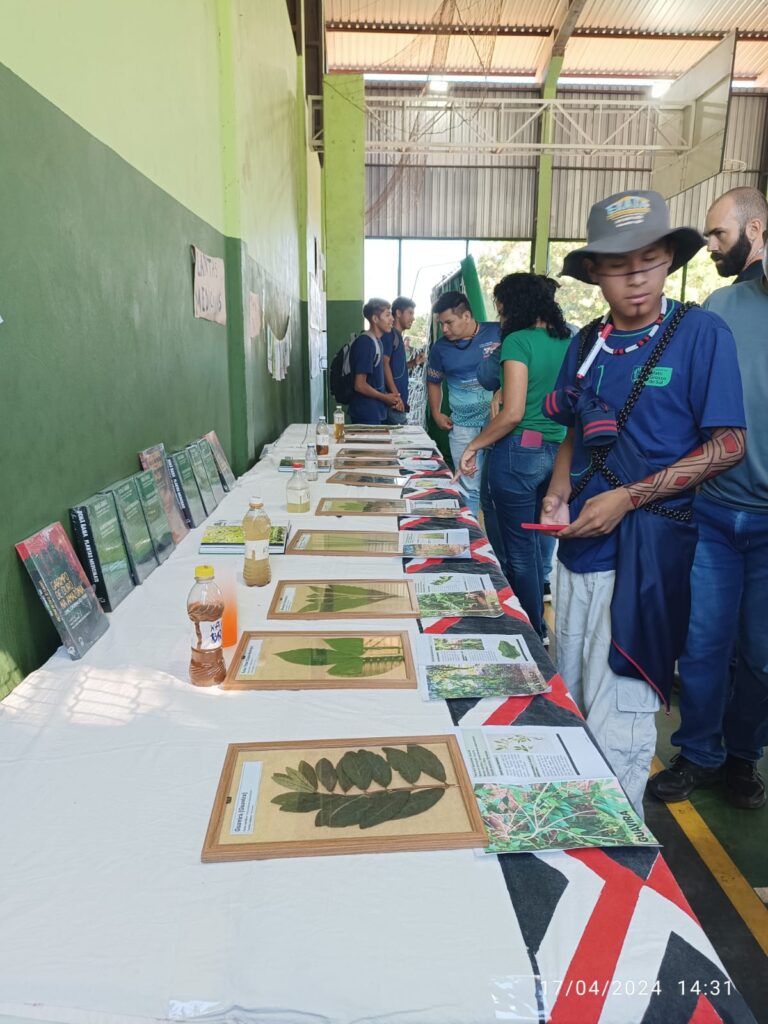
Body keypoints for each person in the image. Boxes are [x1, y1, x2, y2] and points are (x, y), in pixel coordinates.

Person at [540, 190, 746, 816]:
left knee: (622, 714)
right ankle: (570, 822)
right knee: (568, 690)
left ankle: (616, 842)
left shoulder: (700, 334)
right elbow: (574, 428)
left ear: (668, 261)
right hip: (581, 548)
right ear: (595, 273)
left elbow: (731, 443)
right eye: (619, 265)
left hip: (651, 553)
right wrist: (557, 490)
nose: (636, 277)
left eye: (650, 260)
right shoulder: (587, 344)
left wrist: (629, 498)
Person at [649, 227, 768, 810]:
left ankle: (743, 756)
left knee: (762, 654)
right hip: (716, 511)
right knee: (702, 643)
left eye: (720, 232)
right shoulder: (721, 307)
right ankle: (698, 751)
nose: (715, 245)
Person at [456, 274, 571, 639]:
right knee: (540, 546)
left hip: (520, 452)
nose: (500, 316)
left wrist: (474, 445)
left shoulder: (518, 342)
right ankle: (538, 625)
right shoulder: (571, 339)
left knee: (517, 551)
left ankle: (528, 629)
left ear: (514, 306)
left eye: (502, 308)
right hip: (562, 453)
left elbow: (512, 413)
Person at [427, 291, 499, 518]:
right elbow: (434, 382)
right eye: (441, 324)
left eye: (449, 323)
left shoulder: (498, 332)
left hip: (498, 424)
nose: (444, 329)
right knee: (468, 483)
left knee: (495, 485)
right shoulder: (440, 349)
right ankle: (471, 536)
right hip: (462, 426)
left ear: (467, 316)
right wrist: (436, 413)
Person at [347, 298, 404, 425]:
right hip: (365, 414)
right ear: (375, 319)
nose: (392, 319)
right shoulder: (365, 343)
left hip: (376, 412)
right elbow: (359, 385)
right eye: (387, 315)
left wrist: (391, 397)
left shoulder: (378, 342)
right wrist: (385, 398)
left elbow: (375, 382)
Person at [703, 186, 768, 283]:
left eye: (719, 233)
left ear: (753, 229)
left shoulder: (744, 291)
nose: (710, 247)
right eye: (708, 236)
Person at [381, 296, 416, 425]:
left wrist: (414, 362)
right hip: (393, 404)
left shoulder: (398, 337)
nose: (413, 318)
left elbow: (396, 368)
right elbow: (384, 364)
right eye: (410, 313)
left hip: (398, 403)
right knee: (404, 440)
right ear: (399, 313)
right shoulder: (389, 335)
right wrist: (396, 396)